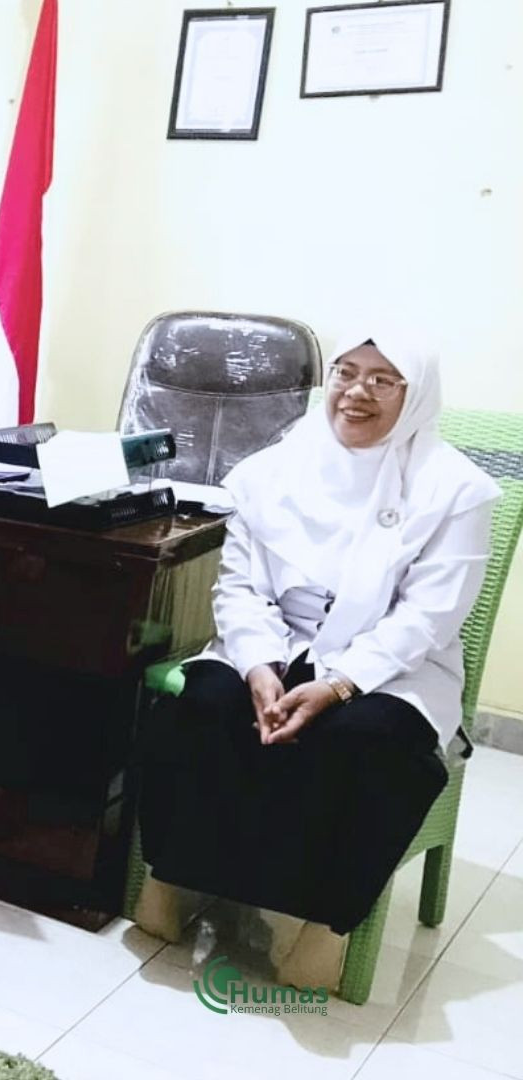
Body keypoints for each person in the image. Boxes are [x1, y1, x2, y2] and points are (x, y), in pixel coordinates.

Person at [136, 332, 499, 980]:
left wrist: (339, 684)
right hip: (274, 642)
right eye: (346, 372)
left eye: (383, 380)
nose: (357, 392)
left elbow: (429, 617)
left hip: (392, 664)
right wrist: (257, 664)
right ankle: (175, 877)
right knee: (204, 706)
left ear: (416, 396)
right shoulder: (269, 472)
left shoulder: (457, 492)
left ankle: (322, 923)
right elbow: (240, 588)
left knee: (365, 740)